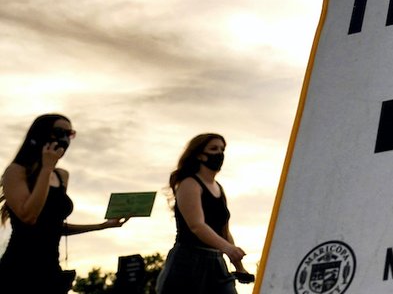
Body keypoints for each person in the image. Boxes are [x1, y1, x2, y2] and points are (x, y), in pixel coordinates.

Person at [0, 114, 127, 293]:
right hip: (19, 269)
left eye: (70, 133)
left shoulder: (61, 176)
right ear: (40, 135)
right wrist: (46, 168)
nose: (65, 139)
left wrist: (102, 226)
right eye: (60, 132)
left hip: (51, 270)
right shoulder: (16, 172)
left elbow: (55, 226)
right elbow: (28, 216)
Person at [156, 133, 250, 294]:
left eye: (222, 149)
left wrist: (239, 267)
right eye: (214, 149)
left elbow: (224, 232)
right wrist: (226, 247)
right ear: (199, 155)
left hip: (217, 264)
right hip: (187, 262)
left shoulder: (219, 188)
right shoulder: (189, 184)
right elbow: (197, 225)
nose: (219, 154)